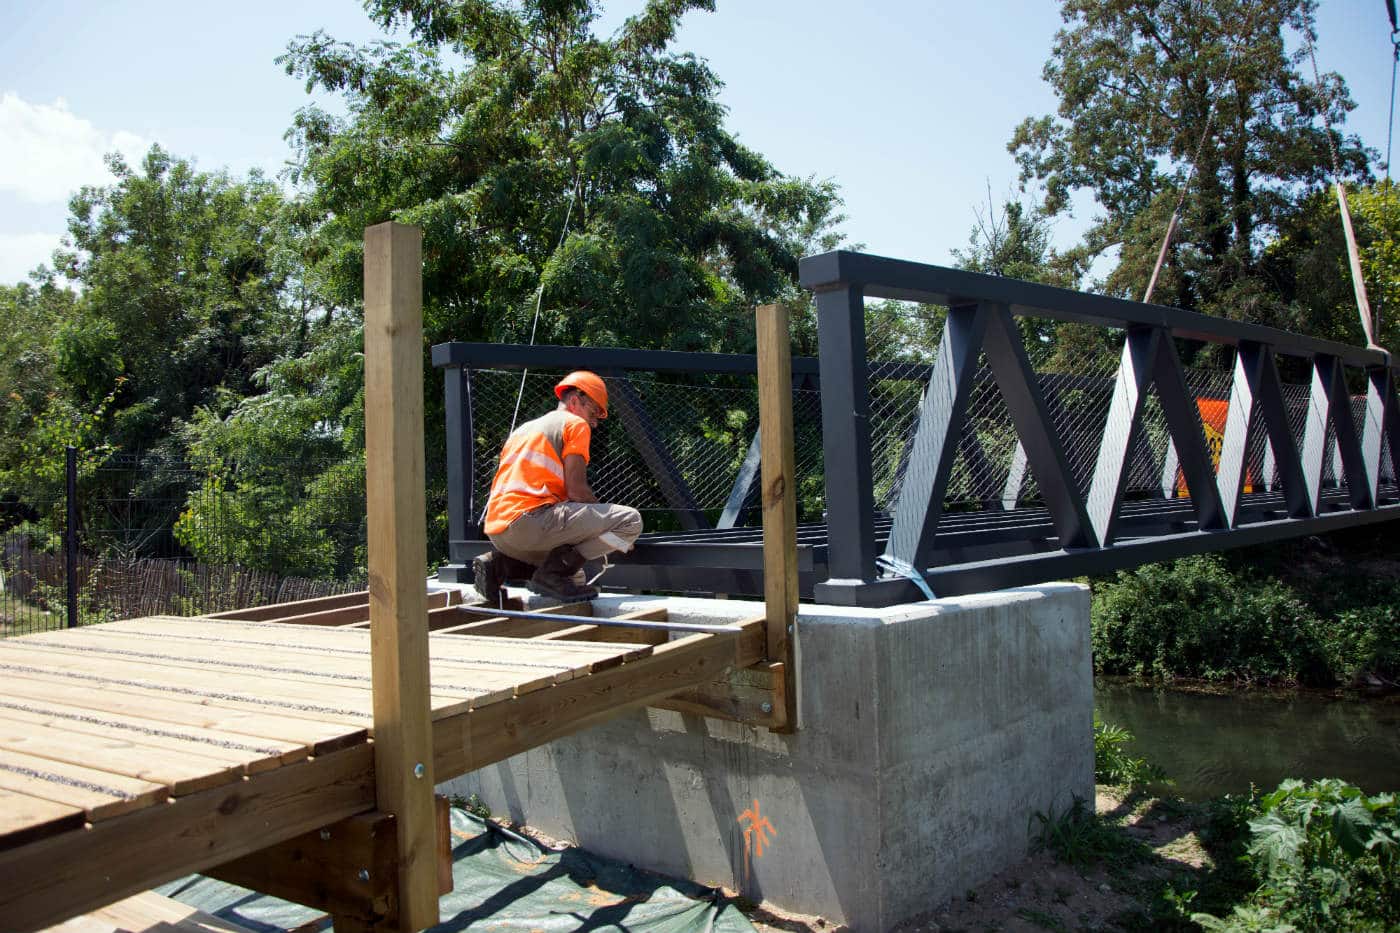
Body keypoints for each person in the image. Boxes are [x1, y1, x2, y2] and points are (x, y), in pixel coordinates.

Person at [473, 371, 643, 602]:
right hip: (530, 522)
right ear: (574, 401)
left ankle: (500, 565)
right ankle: (551, 575)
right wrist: (610, 530)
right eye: (593, 412)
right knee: (630, 521)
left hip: (499, 532)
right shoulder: (574, 424)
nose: (593, 422)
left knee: (576, 577)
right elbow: (577, 491)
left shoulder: (522, 430)